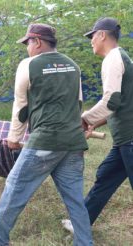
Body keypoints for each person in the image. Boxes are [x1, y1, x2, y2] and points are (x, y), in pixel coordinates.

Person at [0, 23, 92, 245]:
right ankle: (85, 242)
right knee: (75, 199)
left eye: (27, 43)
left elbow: (21, 106)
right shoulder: (73, 65)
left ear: (37, 41)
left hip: (45, 140)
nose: (27, 48)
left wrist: (14, 137)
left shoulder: (29, 65)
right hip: (73, 142)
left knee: (15, 186)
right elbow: (78, 103)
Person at [61, 17, 133, 234]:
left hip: (130, 140)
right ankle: (81, 223)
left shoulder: (113, 58)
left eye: (92, 36)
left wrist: (84, 119)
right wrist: (97, 122)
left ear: (102, 35)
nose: (91, 41)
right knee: (105, 177)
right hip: (124, 140)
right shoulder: (121, 57)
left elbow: (111, 101)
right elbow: (122, 103)